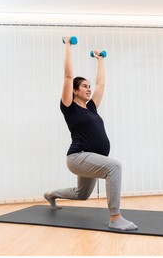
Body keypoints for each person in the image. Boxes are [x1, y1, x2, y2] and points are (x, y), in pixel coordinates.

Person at [44, 36, 138, 231]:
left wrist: (100, 60)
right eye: (84, 86)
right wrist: (68, 45)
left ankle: (51, 194)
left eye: (89, 86)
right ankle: (115, 217)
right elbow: (68, 76)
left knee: (82, 194)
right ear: (75, 91)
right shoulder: (69, 106)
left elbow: (101, 84)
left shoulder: (91, 108)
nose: (89, 89)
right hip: (78, 157)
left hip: (91, 158)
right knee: (115, 167)